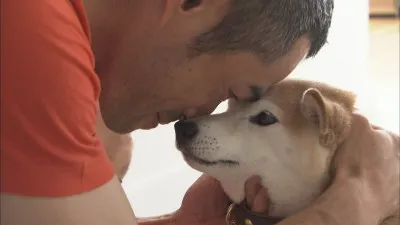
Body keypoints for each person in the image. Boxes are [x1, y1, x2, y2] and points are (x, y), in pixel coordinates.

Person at [1, 0, 398, 225]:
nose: (203, 113)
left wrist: (184, 223)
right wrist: (358, 199)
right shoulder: (30, 46)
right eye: (230, 90)